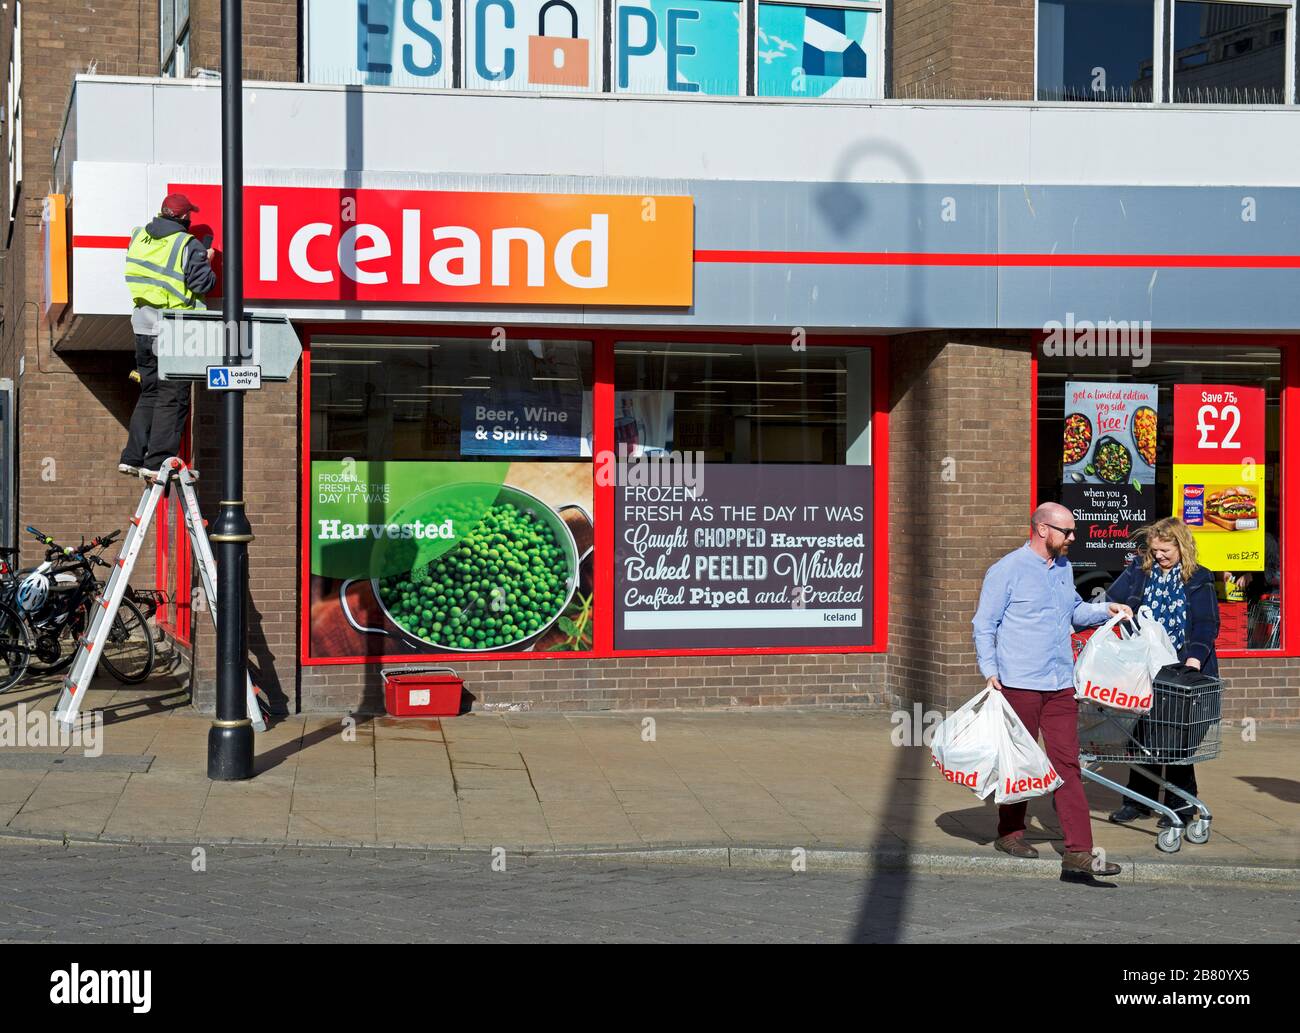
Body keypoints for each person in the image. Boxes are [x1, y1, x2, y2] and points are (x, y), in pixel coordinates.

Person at [973, 502, 1132, 882]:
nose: (1073, 538)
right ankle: (1009, 833)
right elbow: (984, 623)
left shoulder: (1062, 569)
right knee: (1020, 762)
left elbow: (1073, 613)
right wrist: (990, 670)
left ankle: (1078, 852)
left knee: (1067, 765)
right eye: (1068, 532)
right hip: (1020, 682)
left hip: (1061, 683)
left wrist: (1106, 609)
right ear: (1042, 529)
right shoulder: (1007, 570)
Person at [1105, 516, 1220, 828]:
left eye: (1166, 550)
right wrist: (1115, 614)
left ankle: (1181, 806)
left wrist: (1194, 659)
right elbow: (1111, 600)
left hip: (1181, 668)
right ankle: (1138, 801)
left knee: (1176, 737)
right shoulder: (1139, 573)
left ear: (1181, 547)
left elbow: (1207, 625)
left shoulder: (1199, 578)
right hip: (1143, 664)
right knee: (1141, 734)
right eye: (1155, 550)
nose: (1159, 556)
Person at [119, 193, 216, 479]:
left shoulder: (139, 236)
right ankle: (157, 461)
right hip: (174, 328)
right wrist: (207, 261)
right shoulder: (188, 244)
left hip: (143, 327)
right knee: (173, 397)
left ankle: (132, 457)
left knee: (150, 393)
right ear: (186, 218)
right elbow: (202, 283)